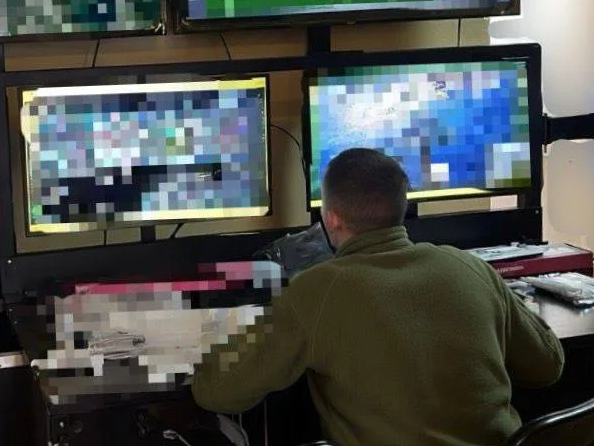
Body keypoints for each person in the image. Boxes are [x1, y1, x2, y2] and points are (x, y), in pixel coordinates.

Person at [190, 147, 565, 446]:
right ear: (403, 206)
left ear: (331, 218)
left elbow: (216, 392)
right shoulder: (470, 267)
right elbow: (548, 365)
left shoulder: (316, 290)